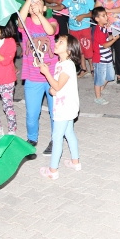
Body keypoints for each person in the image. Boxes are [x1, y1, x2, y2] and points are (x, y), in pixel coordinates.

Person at [38, 34, 82, 179]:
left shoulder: (67, 65)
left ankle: (53, 170)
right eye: (58, 41)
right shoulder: (60, 64)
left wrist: (46, 73)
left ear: (69, 50)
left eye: (61, 42)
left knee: (57, 137)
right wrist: (53, 90)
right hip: (67, 105)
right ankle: (75, 162)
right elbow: (59, 87)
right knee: (69, 133)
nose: (56, 43)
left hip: (64, 108)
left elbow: (57, 85)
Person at [18, 0, 58, 150]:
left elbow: (50, 31)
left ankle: (55, 139)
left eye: (38, 2)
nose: (34, 4)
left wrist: (40, 15)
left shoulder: (52, 20)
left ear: (44, 8)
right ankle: (32, 138)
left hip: (51, 76)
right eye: (31, 3)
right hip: (32, 77)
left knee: (55, 112)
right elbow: (19, 20)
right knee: (32, 113)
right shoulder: (26, 24)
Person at [64, 0, 94, 77]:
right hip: (73, 28)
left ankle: (92, 68)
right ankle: (83, 68)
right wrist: (50, 7)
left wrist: (83, 16)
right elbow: (62, 6)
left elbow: (93, 13)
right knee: (79, 49)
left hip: (84, 27)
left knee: (87, 48)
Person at [90, 6, 118, 105]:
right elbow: (105, 45)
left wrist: (111, 34)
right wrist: (114, 39)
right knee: (99, 79)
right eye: (103, 16)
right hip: (100, 59)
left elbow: (107, 38)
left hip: (107, 57)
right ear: (97, 19)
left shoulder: (103, 28)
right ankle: (98, 97)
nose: (106, 17)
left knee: (110, 76)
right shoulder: (98, 31)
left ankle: (101, 88)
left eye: (105, 15)